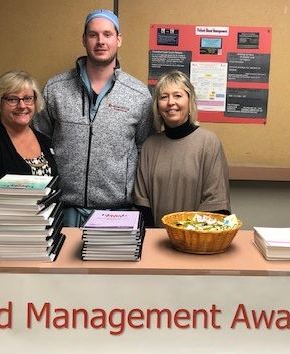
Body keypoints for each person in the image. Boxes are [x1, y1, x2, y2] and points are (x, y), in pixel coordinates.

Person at [33, 9, 153, 227]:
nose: (100, 41)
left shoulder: (138, 94)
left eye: (107, 34)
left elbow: (144, 148)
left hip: (117, 213)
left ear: (119, 40)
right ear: (84, 40)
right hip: (61, 209)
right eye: (93, 35)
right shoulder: (55, 89)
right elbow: (38, 143)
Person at [134, 70, 231, 227]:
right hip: (157, 240)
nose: (171, 102)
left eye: (178, 95)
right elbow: (142, 202)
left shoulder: (209, 143)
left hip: (196, 240)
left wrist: (188, 236)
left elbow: (216, 202)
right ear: (157, 106)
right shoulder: (149, 147)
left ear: (190, 101)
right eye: (164, 97)